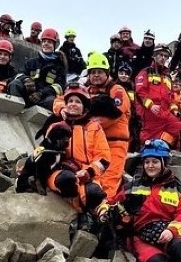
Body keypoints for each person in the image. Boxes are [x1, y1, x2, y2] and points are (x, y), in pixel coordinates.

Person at [53, 53, 130, 200]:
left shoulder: (117, 91)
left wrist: (83, 121)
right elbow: (60, 100)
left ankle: (103, 212)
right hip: (90, 142)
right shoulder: (85, 91)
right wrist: (62, 109)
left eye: (99, 72)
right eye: (93, 72)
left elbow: (115, 114)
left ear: (106, 73)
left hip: (114, 143)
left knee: (108, 181)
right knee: (84, 177)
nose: (96, 75)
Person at [43, 85, 110, 225]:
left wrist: (89, 172)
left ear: (84, 106)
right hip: (60, 170)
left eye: (78, 101)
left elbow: (103, 159)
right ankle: (78, 215)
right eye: (70, 101)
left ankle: (91, 216)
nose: (73, 104)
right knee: (67, 180)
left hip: (86, 173)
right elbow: (44, 153)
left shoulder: (95, 127)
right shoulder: (56, 126)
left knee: (95, 193)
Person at [135, 45, 181, 150]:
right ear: (154, 56)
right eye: (160, 55)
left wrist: (175, 110)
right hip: (150, 114)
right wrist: (151, 105)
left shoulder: (167, 77)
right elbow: (140, 93)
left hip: (165, 113)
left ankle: (171, 153)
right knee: (148, 143)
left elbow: (170, 98)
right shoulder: (145, 72)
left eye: (166, 56)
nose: (163, 58)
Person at [7, 28, 66, 110]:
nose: (45, 44)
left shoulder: (59, 67)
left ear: (55, 45)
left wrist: (41, 93)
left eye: (49, 42)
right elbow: (19, 74)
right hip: (27, 95)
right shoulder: (32, 62)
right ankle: (14, 111)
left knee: (52, 101)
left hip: (43, 99)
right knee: (15, 84)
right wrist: (26, 80)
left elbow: (59, 87)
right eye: (44, 41)